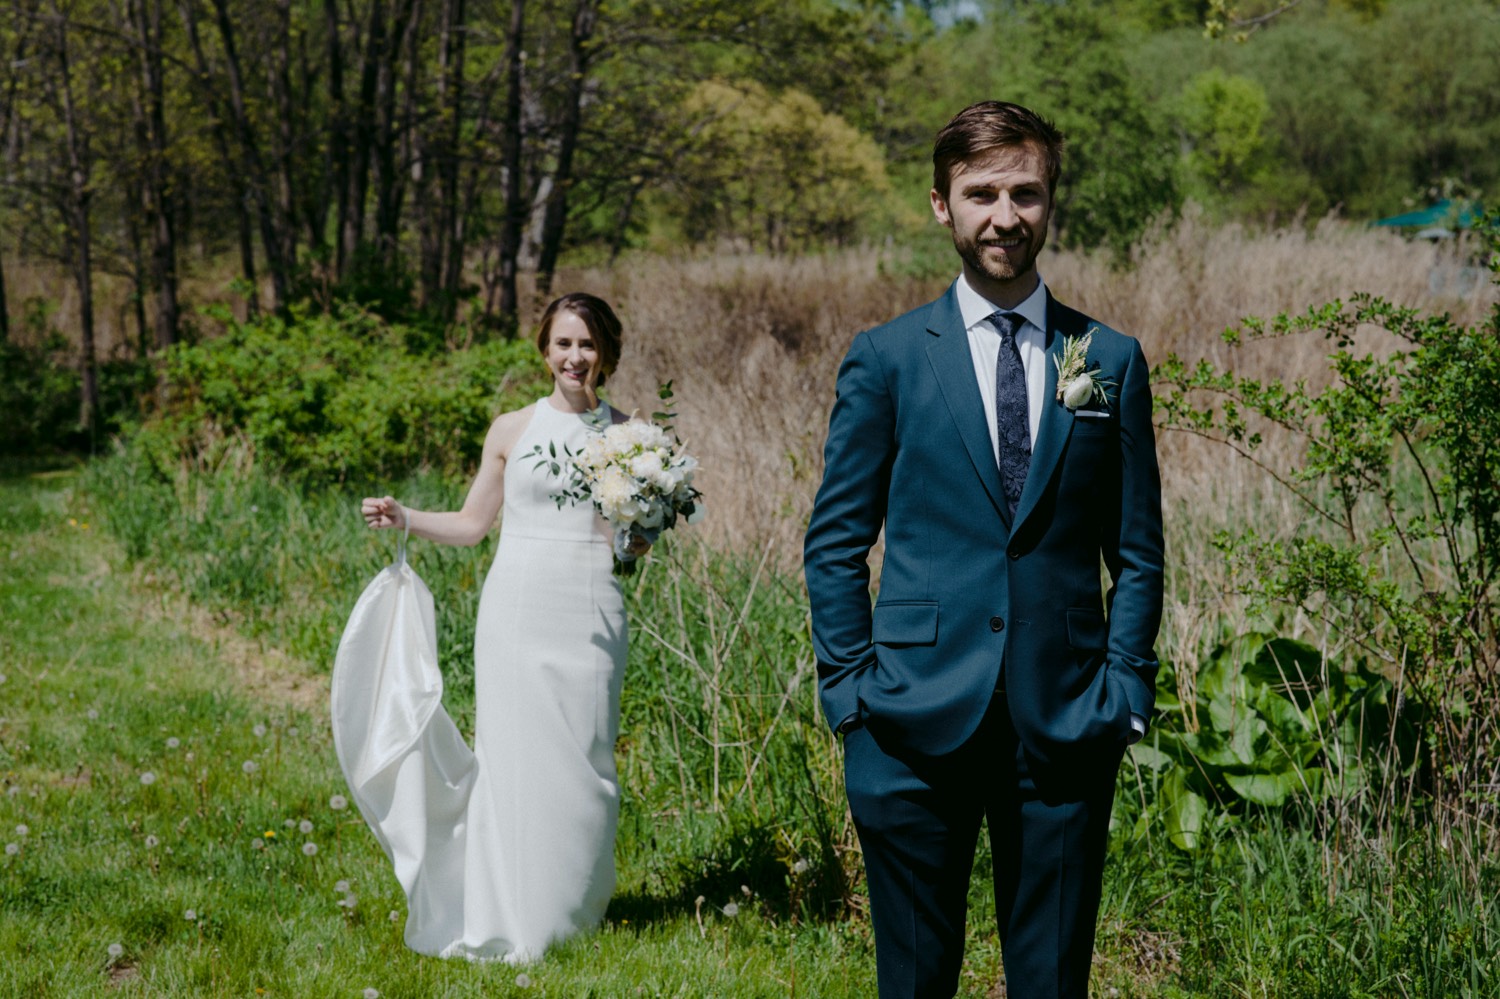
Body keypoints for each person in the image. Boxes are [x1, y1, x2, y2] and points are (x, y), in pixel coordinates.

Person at [803, 101, 1164, 998]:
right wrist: (851, 696)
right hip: (907, 721)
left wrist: (1124, 692)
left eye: (1025, 193)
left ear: (1051, 201)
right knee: (913, 979)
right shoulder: (887, 358)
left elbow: (1138, 549)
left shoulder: (1104, 357)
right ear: (942, 204)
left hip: (1067, 723)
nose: (1006, 215)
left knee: (1051, 982)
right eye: (982, 193)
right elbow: (836, 543)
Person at [345, 292, 649, 961]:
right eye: (564, 343)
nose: (576, 357)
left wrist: (645, 529)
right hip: (515, 609)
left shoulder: (631, 436)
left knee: (587, 756)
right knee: (515, 759)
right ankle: (515, 909)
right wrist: (406, 517)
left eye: (588, 344)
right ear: (545, 349)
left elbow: (626, 547)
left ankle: (573, 913)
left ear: (607, 352)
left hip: (592, 608)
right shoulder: (512, 428)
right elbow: (472, 524)